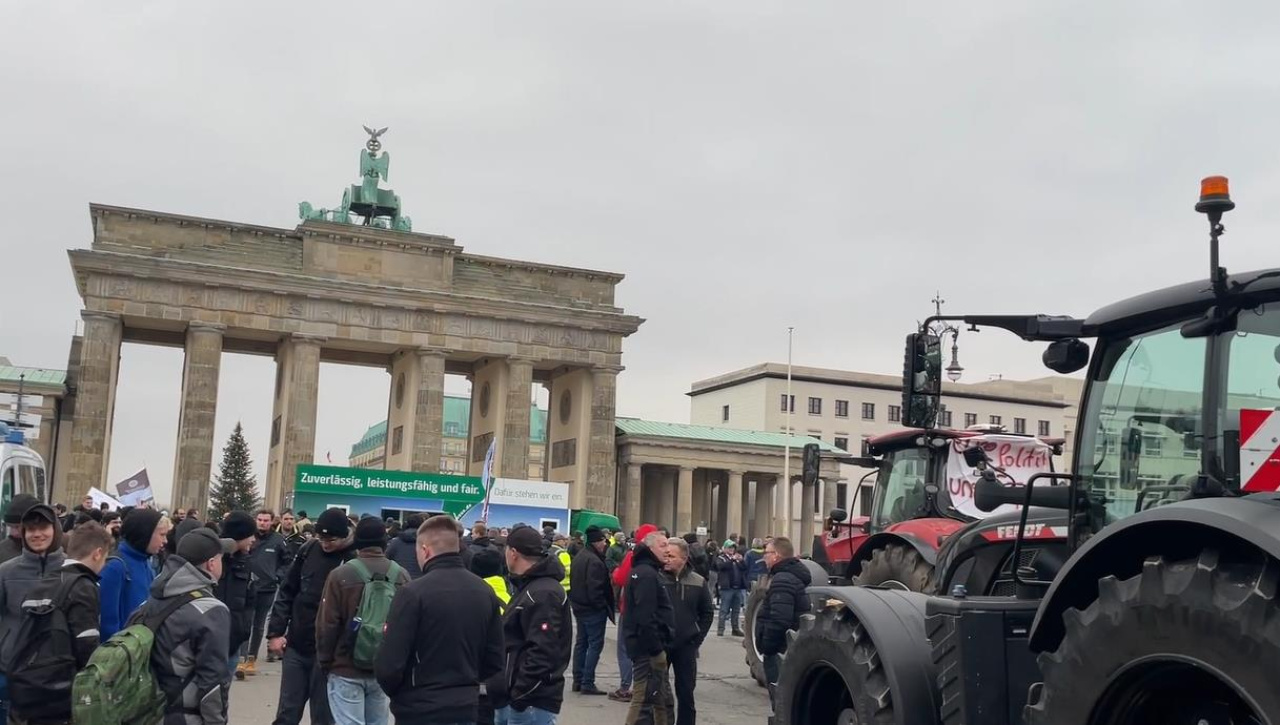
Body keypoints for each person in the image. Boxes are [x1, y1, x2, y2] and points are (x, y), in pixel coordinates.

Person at [375, 515, 503, 725]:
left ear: (425, 550)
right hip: (466, 706)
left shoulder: (412, 593)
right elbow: (494, 659)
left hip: (419, 708)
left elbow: (390, 663)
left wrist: (402, 696)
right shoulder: (484, 591)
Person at [6, 521, 112, 725]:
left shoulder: (45, 581)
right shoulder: (83, 585)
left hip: (28, 687)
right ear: (98, 553)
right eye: (105, 557)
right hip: (60, 694)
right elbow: (87, 646)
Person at [267, 508, 356, 725]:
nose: (324, 543)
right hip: (296, 645)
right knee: (287, 714)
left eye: (330, 539)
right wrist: (275, 633)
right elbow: (287, 590)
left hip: (329, 654)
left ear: (344, 536)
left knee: (323, 717)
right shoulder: (308, 550)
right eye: (321, 537)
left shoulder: (353, 560)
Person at [317, 518, 408, 725]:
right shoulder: (400, 575)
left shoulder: (340, 574)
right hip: (382, 668)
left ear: (357, 541)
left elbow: (327, 624)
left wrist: (325, 660)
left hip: (345, 666)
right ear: (384, 542)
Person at [148, 527, 236, 725]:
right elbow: (213, 680)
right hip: (185, 715)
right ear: (211, 564)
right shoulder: (211, 610)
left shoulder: (156, 594)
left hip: (150, 709)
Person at [489, 525, 571, 725]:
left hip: (529, 702)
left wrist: (520, 694)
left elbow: (542, 651)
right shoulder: (528, 586)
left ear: (513, 553)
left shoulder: (543, 593)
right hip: (514, 697)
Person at [0, 504, 65, 723]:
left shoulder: (71, 570)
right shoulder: (7, 571)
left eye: (43, 527)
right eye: (30, 529)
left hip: (55, 671)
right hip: (12, 668)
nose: (37, 534)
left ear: (55, 529)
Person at [622, 531, 675, 725]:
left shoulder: (648, 571)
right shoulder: (646, 574)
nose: (667, 549)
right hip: (647, 649)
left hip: (650, 646)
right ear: (650, 547)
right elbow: (645, 616)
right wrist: (656, 649)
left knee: (660, 699)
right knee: (643, 698)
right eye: (662, 545)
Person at [756, 537, 811, 711]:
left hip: (778, 651)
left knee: (780, 703)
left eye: (767, 553)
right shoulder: (791, 576)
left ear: (776, 556)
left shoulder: (783, 579)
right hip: (787, 648)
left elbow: (780, 619)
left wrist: (767, 646)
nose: (764, 557)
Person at [663, 537, 713, 725]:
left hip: (686, 646)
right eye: (665, 554)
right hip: (662, 644)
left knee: (686, 693)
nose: (666, 559)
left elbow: (707, 613)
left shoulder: (698, 582)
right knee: (660, 693)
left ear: (683, 558)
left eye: (671, 555)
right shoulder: (658, 578)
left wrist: (696, 638)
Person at [609, 523, 658, 703]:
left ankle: (626, 686)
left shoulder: (632, 555)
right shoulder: (660, 557)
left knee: (624, 649)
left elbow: (620, 578)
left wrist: (615, 572)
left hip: (629, 609)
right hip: (651, 611)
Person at [243, 508, 291, 676]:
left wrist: (277, 577)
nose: (262, 523)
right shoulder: (248, 538)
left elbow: (287, 562)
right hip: (248, 588)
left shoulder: (278, 540)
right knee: (245, 624)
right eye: (260, 520)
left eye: (266, 520)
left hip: (267, 589)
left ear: (272, 522)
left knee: (258, 626)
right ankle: (241, 659)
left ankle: (251, 659)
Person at [568, 525, 614, 696]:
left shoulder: (581, 556)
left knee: (582, 644)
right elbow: (594, 588)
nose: (605, 543)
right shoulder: (594, 561)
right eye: (603, 540)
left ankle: (578, 680)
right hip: (592, 609)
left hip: (580, 607)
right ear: (597, 542)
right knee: (594, 645)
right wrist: (601, 606)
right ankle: (587, 682)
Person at [218, 511, 258, 682]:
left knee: (222, 697)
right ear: (239, 536)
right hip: (213, 643)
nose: (253, 540)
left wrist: (243, 632)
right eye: (250, 535)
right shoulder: (214, 561)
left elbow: (248, 603)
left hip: (234, 641)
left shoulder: (245, 561)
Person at [714, 540, 748, 636]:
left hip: (738, 587)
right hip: (727, 588)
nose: (731, 549)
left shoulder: (737, 559)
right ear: (724, 548)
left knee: (736, 610)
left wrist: (741, 561)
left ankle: (735, 628)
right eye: (729, 547)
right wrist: (732, 560)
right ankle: (721, 628)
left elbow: (744, 568)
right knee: (724, 609)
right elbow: (721, 567)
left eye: (733, 548)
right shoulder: (721, 558)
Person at [0, 494, 38, 564]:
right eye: (10, 527)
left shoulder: (55, 550)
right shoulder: (2, 552)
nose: (13, 533)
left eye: (17, 527)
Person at [384, 513, 424, 579]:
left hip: (399, 579)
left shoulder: (396, 541)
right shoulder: (426, 543)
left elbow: (386, 558)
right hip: (420, 580)